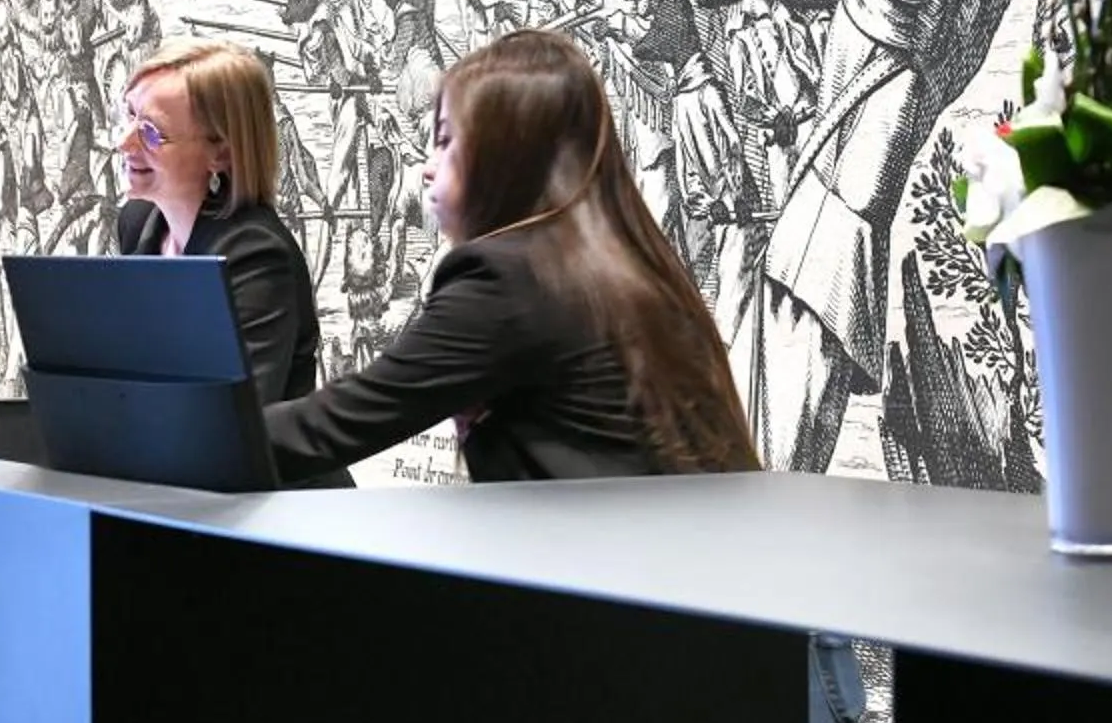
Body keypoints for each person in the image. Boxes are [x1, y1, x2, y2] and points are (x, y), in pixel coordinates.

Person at [262, 28, 756, 485]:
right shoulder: (617, 256)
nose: (428, 169)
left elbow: (339, 421)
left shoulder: (506, 278)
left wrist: (195, 434)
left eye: (444, 142)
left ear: (503, 156)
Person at [110, 39, 334, 451]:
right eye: (128, 117)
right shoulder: (137, 224)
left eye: (151, 132)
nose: (125, 143)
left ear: (221, 153)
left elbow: (235, 422)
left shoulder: (257, 255)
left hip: (267, 500)